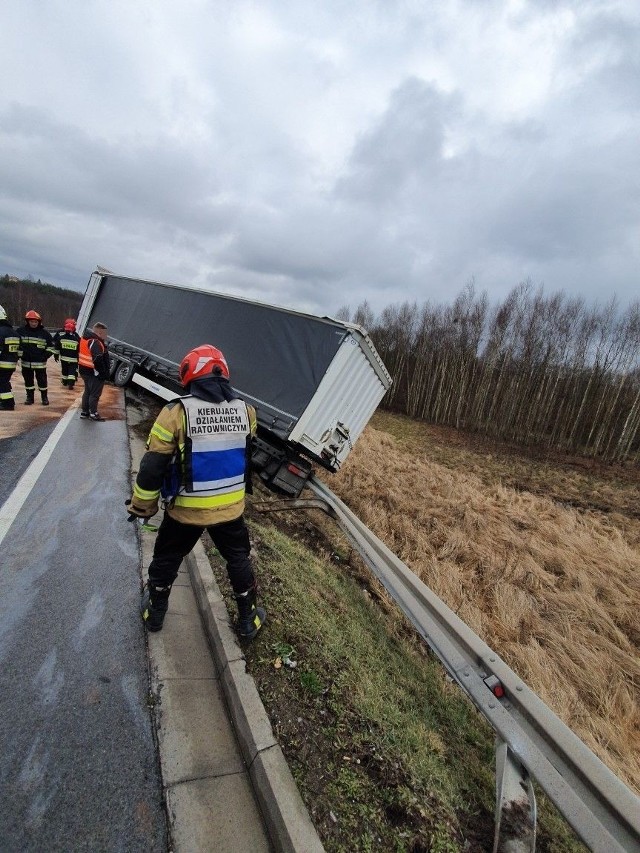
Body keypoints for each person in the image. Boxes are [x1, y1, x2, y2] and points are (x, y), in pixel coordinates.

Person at [127, 344, 266, 639]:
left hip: (185, 511)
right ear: (223, 373)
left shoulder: (175, 412)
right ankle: (248, 619)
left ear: (189, 375)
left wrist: (143, 507)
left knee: (167, 558)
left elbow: (153, 467)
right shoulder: (247, 411)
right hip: (231, 510)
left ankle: (155, 613)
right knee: (238, 560)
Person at [16, 310, 56, 405]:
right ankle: (30, 398)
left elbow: (52, 347)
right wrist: (19, 355)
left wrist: (45, 356)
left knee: (42, 381)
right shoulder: (20, 331)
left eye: (35, 322)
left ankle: (44, 398)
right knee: (28, 381)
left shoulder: (45, 334)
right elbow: (16, 344)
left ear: (39, 322)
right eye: (31, 321)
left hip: (40, 363)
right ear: (27, 321)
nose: (33, 323)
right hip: (26, 362)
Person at [78, 321, 110, 421]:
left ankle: (85, 412)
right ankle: (93, 413)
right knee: (95, 393)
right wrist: (102, 372)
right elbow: (97, 359)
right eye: (105, 333)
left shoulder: (84, 339)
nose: (106, 335)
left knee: (87, 391)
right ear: (99, 332)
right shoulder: (95, 342)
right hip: (93, 372)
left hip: (84, 370)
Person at [0, 304, 21, 411]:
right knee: (4, 382)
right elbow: (19, 350)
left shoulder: (0, 332)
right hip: (11, 363)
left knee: (2, 382)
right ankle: (6, 401)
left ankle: (8, 404)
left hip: (2, 363)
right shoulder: (14, 332)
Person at [53, 318, 80, 389]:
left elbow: (56, 345)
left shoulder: (60, 337)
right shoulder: (76, 338)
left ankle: (65, 381)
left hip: (64, 358)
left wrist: (56, 355)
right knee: (72, 370)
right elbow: (79, 348)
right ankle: (71, 383)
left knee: (64, 370)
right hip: (73, 359)